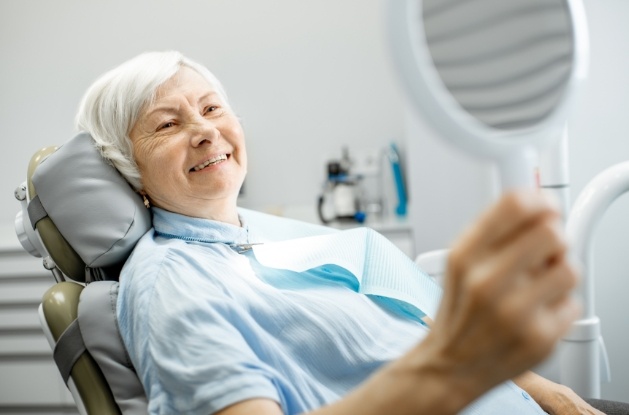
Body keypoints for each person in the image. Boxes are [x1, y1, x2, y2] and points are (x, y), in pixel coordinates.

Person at [76, 51, 610, 415]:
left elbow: (417, 317)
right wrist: (452, 366)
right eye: (167, 125)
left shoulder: (262, 232)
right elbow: (448, 351)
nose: (205, 130)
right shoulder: (170, 284)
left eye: (212, 108)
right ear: (128, 168)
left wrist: (547, 392)